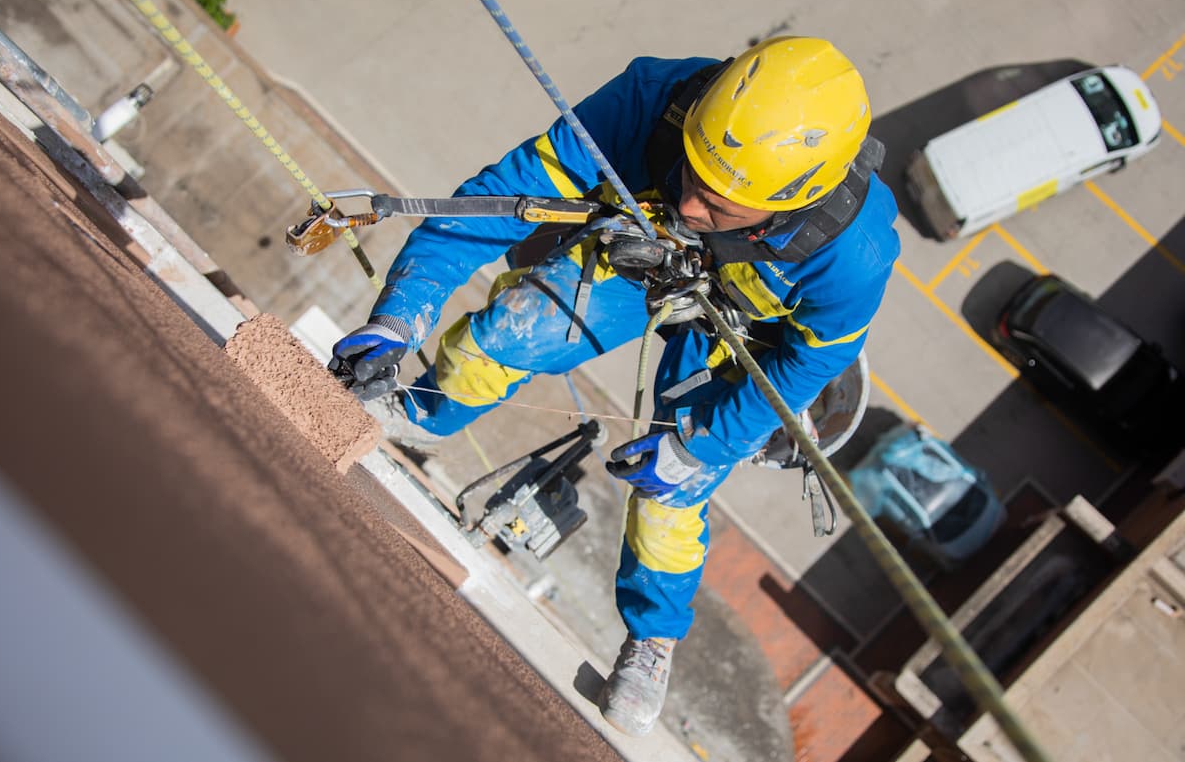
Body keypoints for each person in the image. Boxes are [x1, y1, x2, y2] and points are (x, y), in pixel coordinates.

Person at [329, 36, 900, 737]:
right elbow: (496, 203)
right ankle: (421, 413)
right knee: (509, 331)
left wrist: (699, 447)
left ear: (790, 203)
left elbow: (804, 368)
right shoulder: (650, 102)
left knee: (672, 491)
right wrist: (399, 316)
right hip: (646, 267)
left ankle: (652, 638)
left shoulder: (855, 254)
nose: (689, 202)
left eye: (718, 203)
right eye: (688, 172)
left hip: (748, 338)